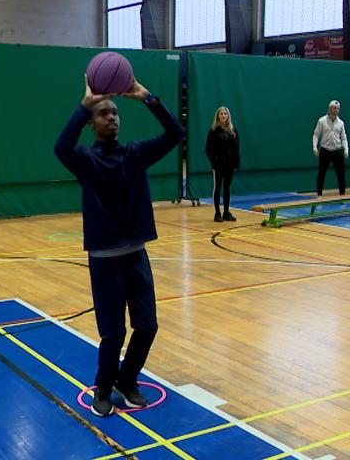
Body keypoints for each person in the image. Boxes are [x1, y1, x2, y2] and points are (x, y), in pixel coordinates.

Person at [54, 74, 184, 417]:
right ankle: (103, 387)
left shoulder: (135, 154)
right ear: (93, 123)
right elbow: (60, 148)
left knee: (148, 325)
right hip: (104, 261)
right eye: (103, 113)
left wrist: (146, 97)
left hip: (135, 255)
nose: (111, 117)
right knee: (112, 333)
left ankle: (127, 380)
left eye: (114, 112)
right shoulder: (85, 160)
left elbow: (176, 134)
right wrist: (84, 106)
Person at [206, 106, 241, 222]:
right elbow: (208, 150)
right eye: (221, 113)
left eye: (225, 114)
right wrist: (214, 163)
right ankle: (217, 213)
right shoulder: (213, 131)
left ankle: (226, 212)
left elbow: (237, 147)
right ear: (217, 116)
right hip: (219, 164)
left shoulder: (233, 130)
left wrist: (236, 161)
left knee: (227, 188)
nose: (223, 115)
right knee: (218, 187)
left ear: (228, 116)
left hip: (230, 164)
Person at [312, 100, 349, 196]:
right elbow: (316, 134)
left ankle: (342, 195)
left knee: (341, 174)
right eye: (334, 108)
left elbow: (343, 137)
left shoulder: (341, 123)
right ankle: (319, 194)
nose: (336, 110)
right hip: (325, 151)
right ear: (330, 108)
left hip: (337, 151)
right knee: (321, 173)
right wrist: (314, 146)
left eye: (338, 108)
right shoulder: (322, 121)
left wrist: (346, 149)